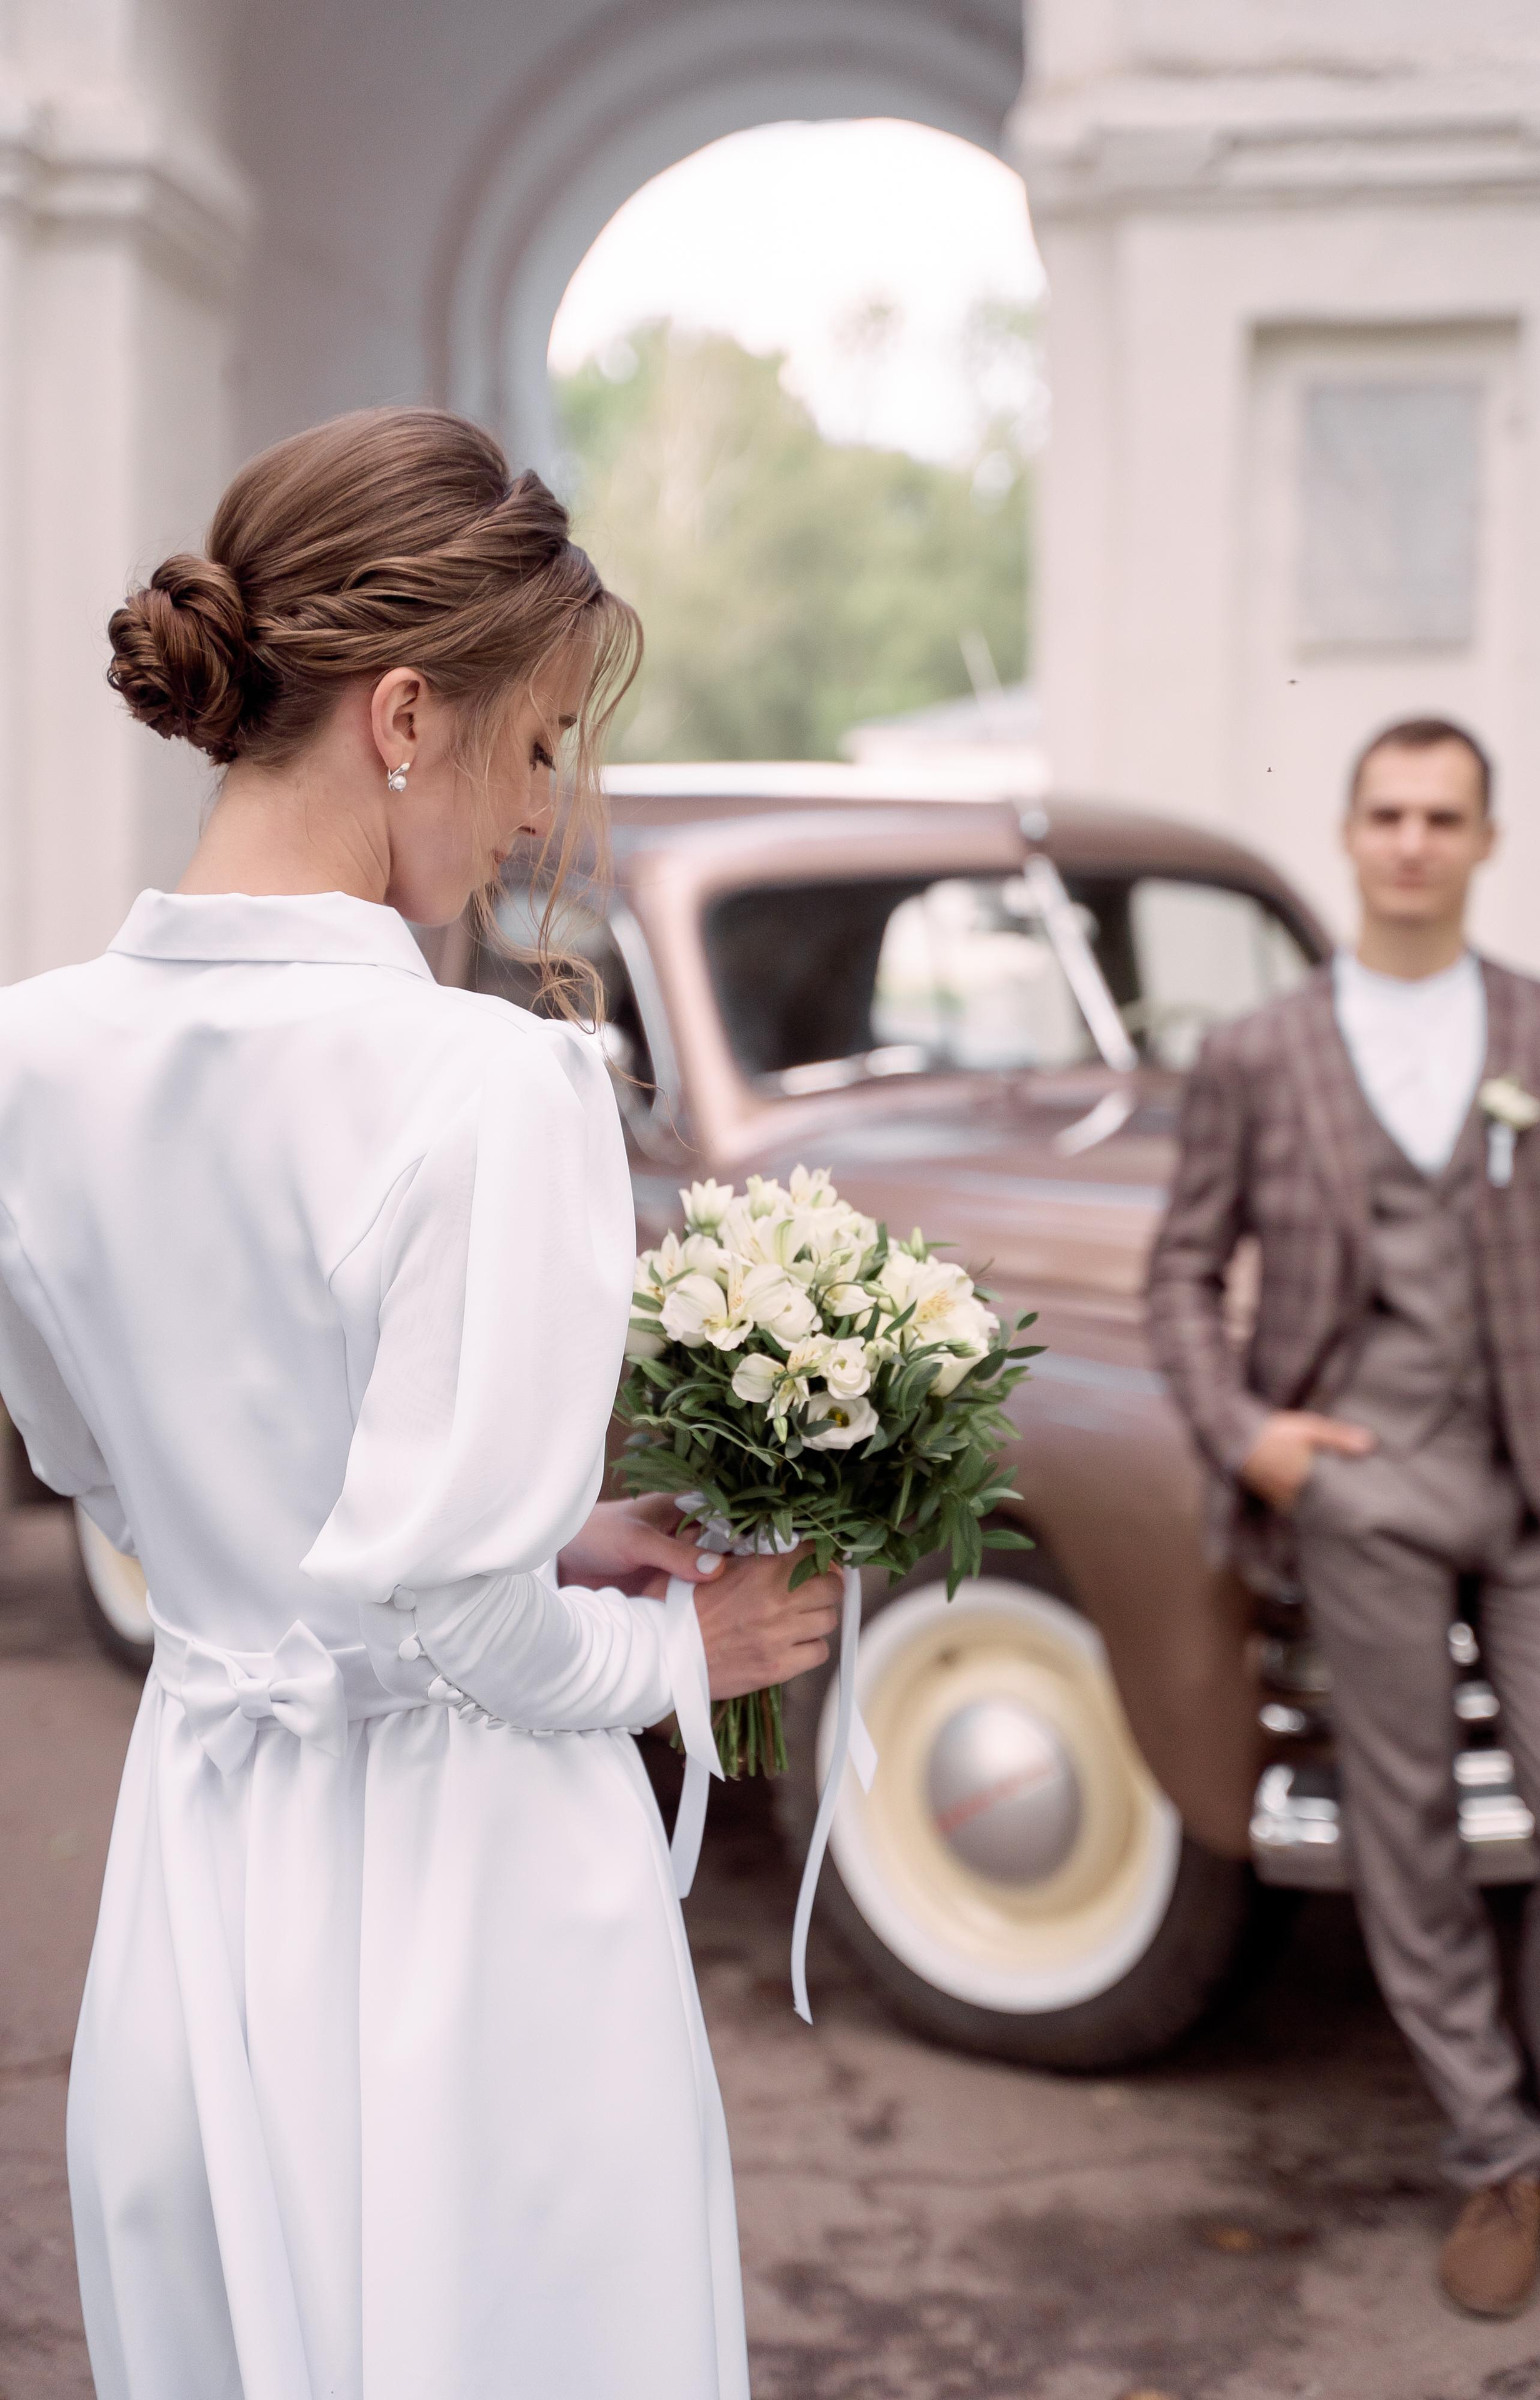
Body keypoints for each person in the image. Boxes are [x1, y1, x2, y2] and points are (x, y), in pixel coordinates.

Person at [0, 407, 841, 2399]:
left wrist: (532, 1533)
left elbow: (106, 1469)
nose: (544, 813)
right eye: (539, 743)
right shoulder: (485, 1083)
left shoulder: (26, 1062)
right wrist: (679, 1646)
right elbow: (444, 1623)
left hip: (206, 1865)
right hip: (461, 1904)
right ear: (402, 720)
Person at [1149, 717, 1540, 2321]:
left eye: (1443, 817)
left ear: (1483, 841)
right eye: (1386, 815)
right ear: (1350, 837)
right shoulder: (1259, 1053)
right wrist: (1253, 1439)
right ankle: (1493, 2148)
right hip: (1358, 1486)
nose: (1411, 841)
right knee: (1403, 1833)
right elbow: (1180, 1277)